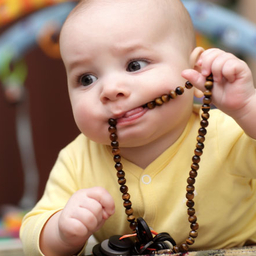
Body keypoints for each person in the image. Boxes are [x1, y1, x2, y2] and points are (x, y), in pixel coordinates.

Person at [20, 0, 256, 255]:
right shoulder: (78, 159)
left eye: (135, 65)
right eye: (86, 79)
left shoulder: (230, 132)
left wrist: (247, 109)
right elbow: (33, 231)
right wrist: (61, 232)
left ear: (196, 70)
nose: (110, 90)